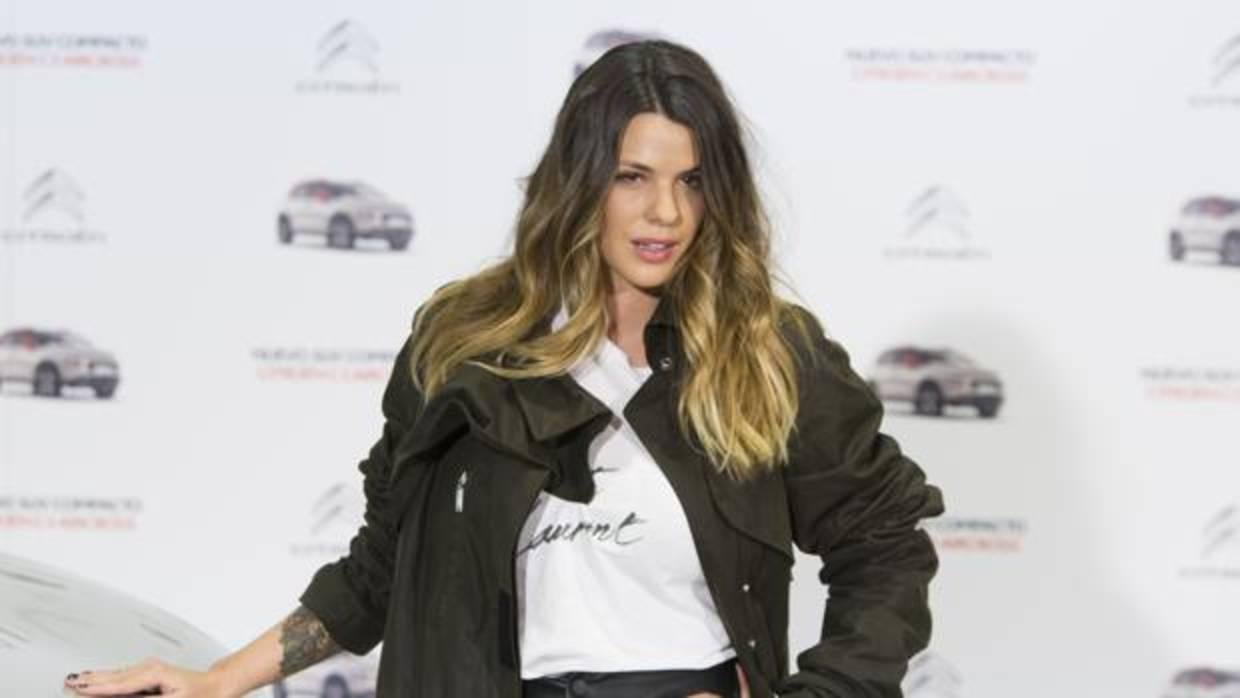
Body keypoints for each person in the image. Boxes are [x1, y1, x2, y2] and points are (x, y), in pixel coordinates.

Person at [66, 39, 943, 698]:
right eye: (633, 176)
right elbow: (382, 565)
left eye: (692, 181)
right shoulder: (464, 344)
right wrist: (220, 680)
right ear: (580, 180)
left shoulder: (764, 352)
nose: (666, 213)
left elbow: (885, 543)